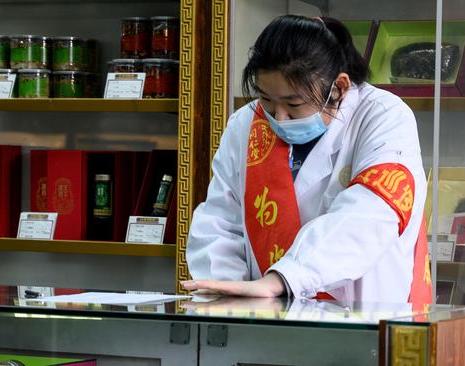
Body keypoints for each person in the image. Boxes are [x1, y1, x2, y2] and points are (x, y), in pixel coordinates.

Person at [183, 15, 432, 304]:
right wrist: (232, 296)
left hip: (363, 314)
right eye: (266, 99)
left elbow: (370, 216)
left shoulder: (383, 117)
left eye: (293, 103)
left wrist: (283, 278)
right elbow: (220, 221)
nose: (279, 117)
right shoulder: (246, 123)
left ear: (338, 88)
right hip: (266, 317)